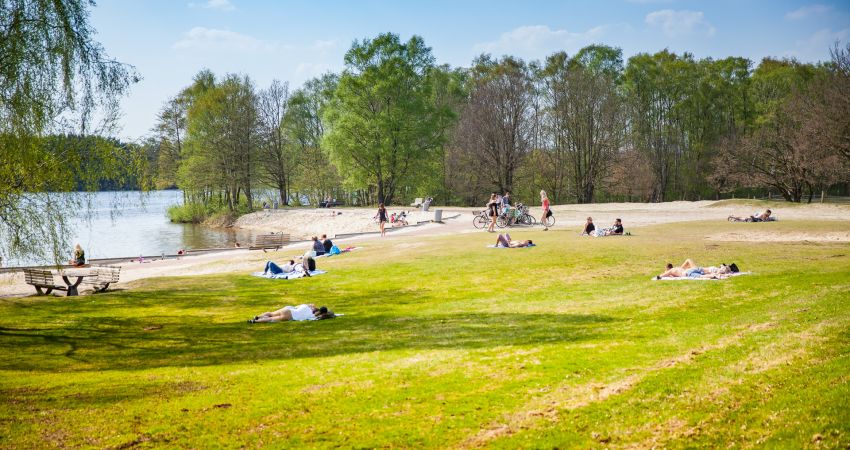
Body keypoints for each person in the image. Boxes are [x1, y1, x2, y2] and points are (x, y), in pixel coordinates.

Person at [656, 259, 739, 279]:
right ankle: (723, 271)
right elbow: (688, 260)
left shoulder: (671, 271)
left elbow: (662, 275)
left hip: (687, 273)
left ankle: (717, 275)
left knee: (701, 276)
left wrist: (659, 276)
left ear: (667, 268)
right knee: (704, 272)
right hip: (693, 269)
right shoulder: (677, 269)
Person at [249, 304, 335, 323]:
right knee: (271, 319)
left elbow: (296, 307)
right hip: (291, 315)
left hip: (289, 309)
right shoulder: (312, 316)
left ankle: (258, 316)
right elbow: (330, 314)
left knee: (271, 314)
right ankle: (255, 321)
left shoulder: (306, 306)